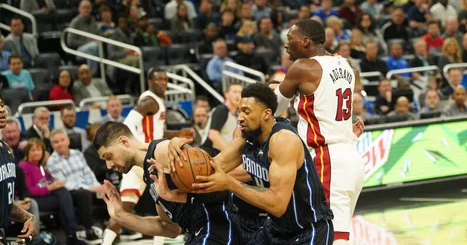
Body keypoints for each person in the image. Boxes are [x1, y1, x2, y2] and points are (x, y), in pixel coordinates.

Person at [169, 83, 334, 244]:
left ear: (266, 114)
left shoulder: (283, 140)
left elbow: (277, 204)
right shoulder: (245, 136)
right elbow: (207, 169)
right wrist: (178, 148)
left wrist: (230, 184)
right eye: (239, 111)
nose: (240, 117)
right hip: (277, 228)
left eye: (247, 112)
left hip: (308, 230)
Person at [274, 19, 365, 243]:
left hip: (327, 158)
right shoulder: (346, 65)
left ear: (305, 42)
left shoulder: (302, 68)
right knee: (337, 233)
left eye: (290, 39)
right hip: (351, 156)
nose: (286, 46)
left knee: (333, 237)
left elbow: (274, 106)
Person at [93, 122, 238, 244]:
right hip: (197, 233)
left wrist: (174, 142)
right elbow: (168, 228)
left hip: (217, 226)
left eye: (109, 156)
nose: (109, 165)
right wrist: (120, 215)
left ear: (124, 142)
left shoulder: (160, 151)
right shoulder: (149, 176)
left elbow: (212, 171)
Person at [103, 67, 192, 245]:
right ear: (150, 81)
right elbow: (127, 123)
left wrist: (177, 132)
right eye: (158, 80)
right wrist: (136, 147)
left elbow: (156, 132)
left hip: (141, 160)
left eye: (165, 80)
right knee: (166, 203)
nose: (163, 83)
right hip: (147, 159)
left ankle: (105, 243)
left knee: (125, 207)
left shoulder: (155, 101)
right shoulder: (149, 101)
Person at [0, 92, 38, 245]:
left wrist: (27, 217)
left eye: (2, 105)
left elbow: (5, 201)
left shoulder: (5, 149)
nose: (3, 110)